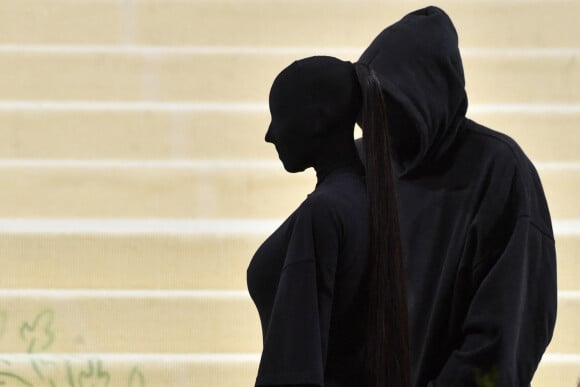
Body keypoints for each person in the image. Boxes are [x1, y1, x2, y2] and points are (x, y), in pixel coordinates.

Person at [356, 6, 558, 386]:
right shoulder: (360, 165)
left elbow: (504, 338)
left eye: (392, 104)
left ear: (431, 94)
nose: (376, 122)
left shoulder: (498, 171)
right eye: (368, 104)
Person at [247, 56, 411, 386]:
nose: (269, 134)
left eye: (279, 116)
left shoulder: (324, 213)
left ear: (318, 120)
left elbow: (296, 364)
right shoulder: (369, 197)